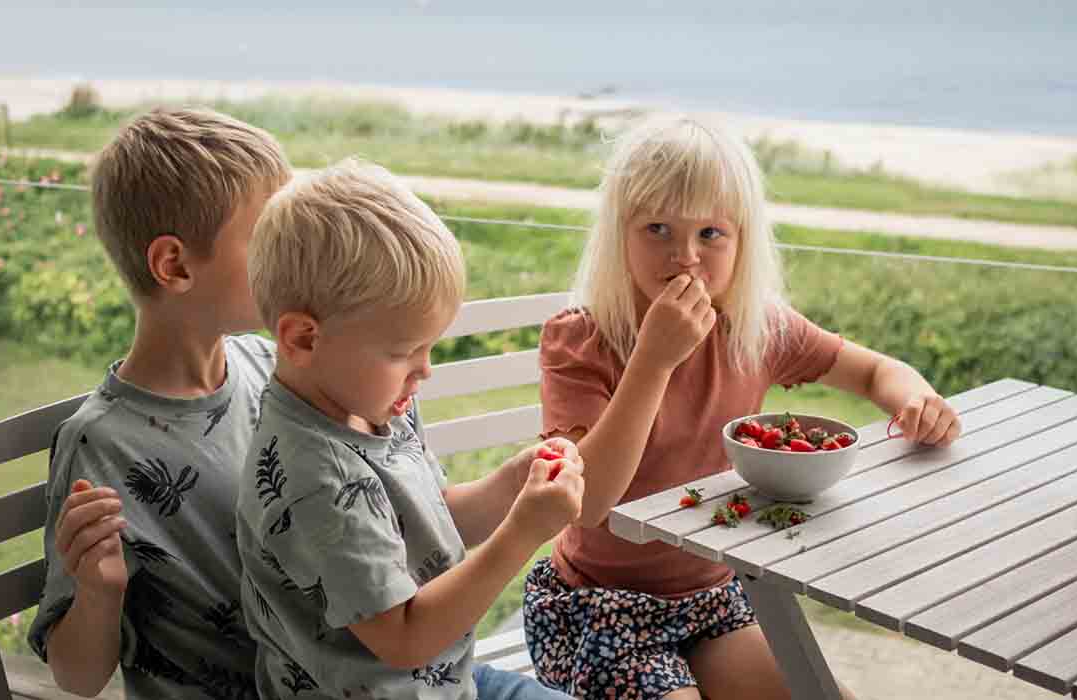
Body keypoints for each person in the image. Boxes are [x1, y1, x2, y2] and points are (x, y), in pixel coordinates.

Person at [522, 114, 962, 699]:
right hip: (600, 608)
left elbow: (877, 370)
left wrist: (918, 399)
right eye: (657, 228)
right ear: (618, 235)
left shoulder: (754, 329)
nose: (685, 256)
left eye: (711, 234)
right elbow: (588, 502)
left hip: (713, 600)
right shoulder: (581, 342)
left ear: (742, 241)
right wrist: (653, 361)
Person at [237, 159, 584, 699]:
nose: (425, 370)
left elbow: (433, 521)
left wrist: (515, 484)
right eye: (404, 352)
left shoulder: (374, 401)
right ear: (304, 339)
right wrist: (523, 534)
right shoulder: (314, 479)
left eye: (429, 348)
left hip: (447, 681)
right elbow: (405, 637)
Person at [28, 107, 290, 698]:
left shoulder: (268, 363)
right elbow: (79, 677)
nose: (290, 252)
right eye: (267, 236)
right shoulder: (99, 446)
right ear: (174, 265)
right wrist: (99, 590)